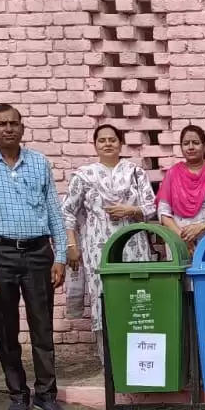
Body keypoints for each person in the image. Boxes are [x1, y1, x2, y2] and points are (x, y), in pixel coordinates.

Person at [0, 103, 67, 410]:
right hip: (0, 255)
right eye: (2, 124)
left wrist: (61, 255)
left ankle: (46, 394)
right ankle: (17, 394)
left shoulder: (39, 162)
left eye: (14, 123)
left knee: (42, 326)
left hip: (39, 253)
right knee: (5, 328)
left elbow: (54, 211)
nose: (9, 128)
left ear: (23, 128)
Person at [63, 124, 157, 346]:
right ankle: (109, 359)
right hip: (98, 247)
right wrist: (71, 245)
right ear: (95, 145)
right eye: (102, 140)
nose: (107, 144)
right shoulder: (84, 176)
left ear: (120, 144)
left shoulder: (135, 173)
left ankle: (138, 351)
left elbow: (151, 206)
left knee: (136, 295)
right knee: (103, 296)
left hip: (134, 245)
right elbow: (67, 211)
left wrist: (131, 210)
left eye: (112, 140)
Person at [158, 123, 205, 249]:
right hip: (180, 242)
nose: (191, 147)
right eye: (186, 143)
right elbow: (163, 212)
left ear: (204, 146)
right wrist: (183, 237)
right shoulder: (173, 173)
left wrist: (201, 226)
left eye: (196, 142)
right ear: (181, 147)